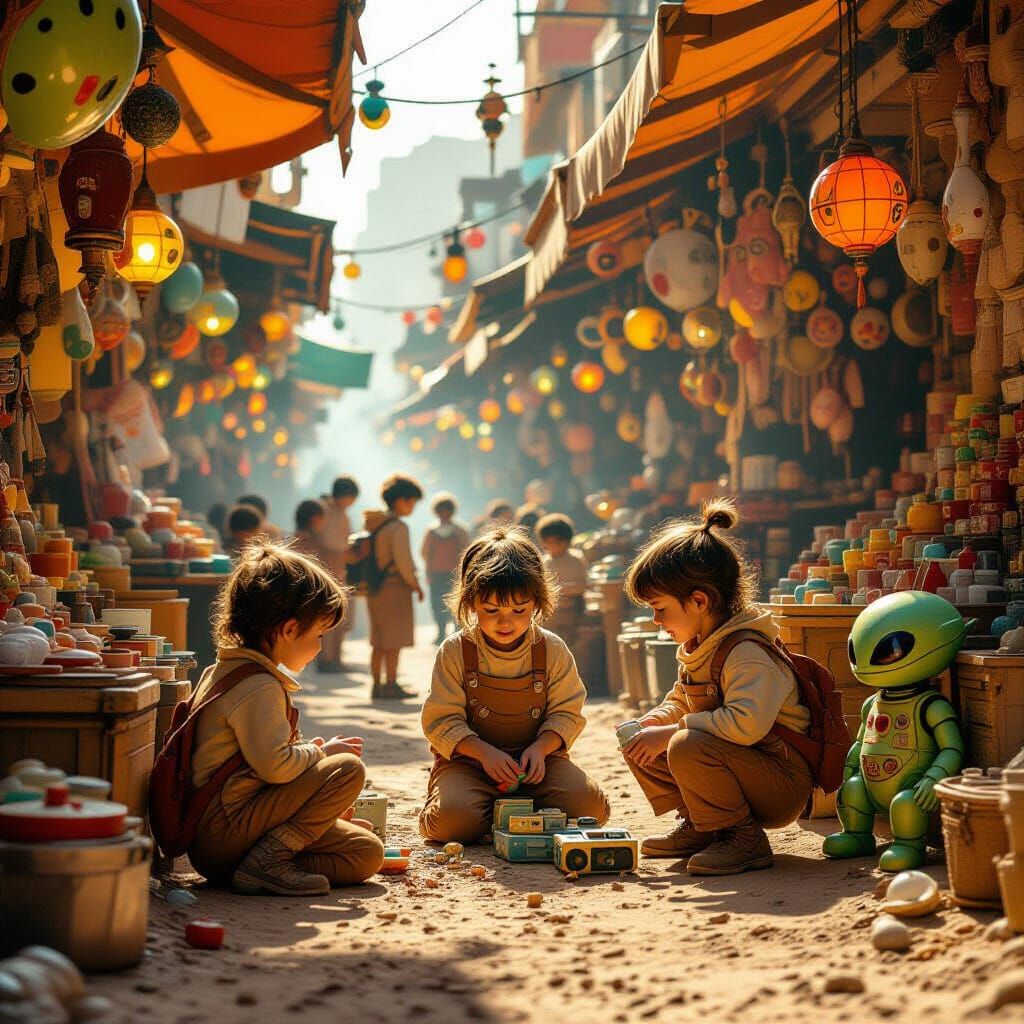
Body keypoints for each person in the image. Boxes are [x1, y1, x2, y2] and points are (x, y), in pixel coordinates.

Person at [618, 499, 813, 876]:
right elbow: (682, 699)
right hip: (739, 766)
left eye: (660, 608)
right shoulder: (699, 646)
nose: (656, 620)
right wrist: (654, 722)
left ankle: (742, 838)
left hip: (780, 781)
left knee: (685, 743)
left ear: (699, 601)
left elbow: (746, 725)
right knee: (642, 740)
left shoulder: (747, 653)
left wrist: (673, 731)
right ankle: (702, 826)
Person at [184, 542, 385, 895]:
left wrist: (317, 807)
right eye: (319, 635)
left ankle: (262, 864)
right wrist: (321, 754)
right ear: (289, 630)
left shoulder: (229, 671)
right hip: (224, 831)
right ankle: (269, 861)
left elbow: (265, 761)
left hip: (234, 835)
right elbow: (276, 767)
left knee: (365, 852)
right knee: (346, 770)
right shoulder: (256, 686)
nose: (321, 646)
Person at [419, 525, 609, 844]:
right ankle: (482, 804)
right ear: (470, 604)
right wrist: (484, 755)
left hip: (538, 766)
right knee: (451, 824)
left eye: (518, 610)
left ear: (537, 602)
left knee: (590, 809)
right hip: (469, 765)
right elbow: (441, 720)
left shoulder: (552, 649)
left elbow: (567, 713)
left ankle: (510, 808)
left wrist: (541, 747)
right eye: (491, 610)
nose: (505, 622)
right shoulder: (455, 650)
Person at [364, 474, 424, 700]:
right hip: (394, 587)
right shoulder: (399, 527)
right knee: (393, 641)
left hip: (374, 586)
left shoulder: (374, 523)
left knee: (378, 640)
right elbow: (404, 562)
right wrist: (416, 585)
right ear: (400, 500)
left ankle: (376, 685)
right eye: (411, 502)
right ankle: (390, 683)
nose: (412, 507)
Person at [316, 476, 360, 666]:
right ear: (345, 496)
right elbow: (330, 543)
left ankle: (335, 658)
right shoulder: (325, 511)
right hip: (328, 567)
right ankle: (327, 658)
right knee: (327, 616)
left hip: (338, 568)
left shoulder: (340, 513)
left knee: (338, 617)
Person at [421, 493, 470, 645]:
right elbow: (425, 553)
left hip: (455, 574)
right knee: (437, 603)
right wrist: (428, 572)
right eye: (441, 510)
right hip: (436, 574)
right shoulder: (432, 531)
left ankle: (456, 630)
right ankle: (441, 631)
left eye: (446, 510)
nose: (444, 513)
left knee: (456, 602)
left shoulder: (459, 531)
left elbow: (466, 550)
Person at [536, 513, 589, 650]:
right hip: (552, 612)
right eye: (549, 542)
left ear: (566, 541)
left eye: (557, 542)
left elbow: (583, 586)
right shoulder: (544, 562)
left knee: (571, 645)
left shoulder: (576, 559)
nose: (554, 546)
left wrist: (564, 589)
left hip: (574, 610)